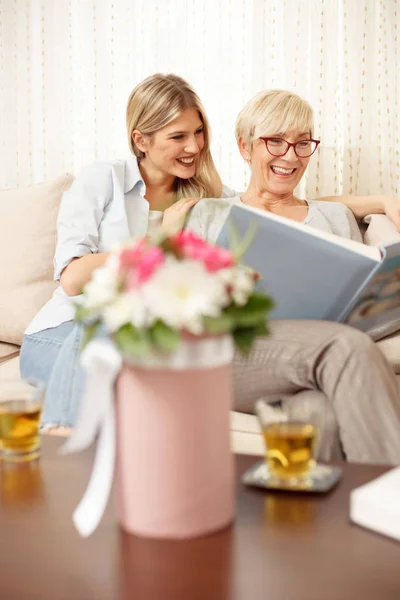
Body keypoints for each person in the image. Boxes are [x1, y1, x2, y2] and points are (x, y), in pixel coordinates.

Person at [19, 74, 400, 465]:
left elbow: (280, 199)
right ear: (141, 140)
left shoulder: (206, 195)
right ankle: (62, 442)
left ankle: (326, 518)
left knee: (317, 408)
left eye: (199, 133)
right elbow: (74, 279)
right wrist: (159, 244)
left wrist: (381, 201)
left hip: (284, 346)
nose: (195, 146)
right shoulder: (119, 184)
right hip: (72, 327)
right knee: (108, 311)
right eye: (179, 136)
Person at [186, 88, 400, 465]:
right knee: (343, 345)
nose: (291, 156)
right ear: (245, 147)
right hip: (234, 357)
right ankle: (391, 500)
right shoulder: (209, 214)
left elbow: (358, 304)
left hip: (316, 361)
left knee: (321, 413)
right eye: (276, 142)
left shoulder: (335, 218)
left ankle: (328, 522)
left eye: (303, 144)